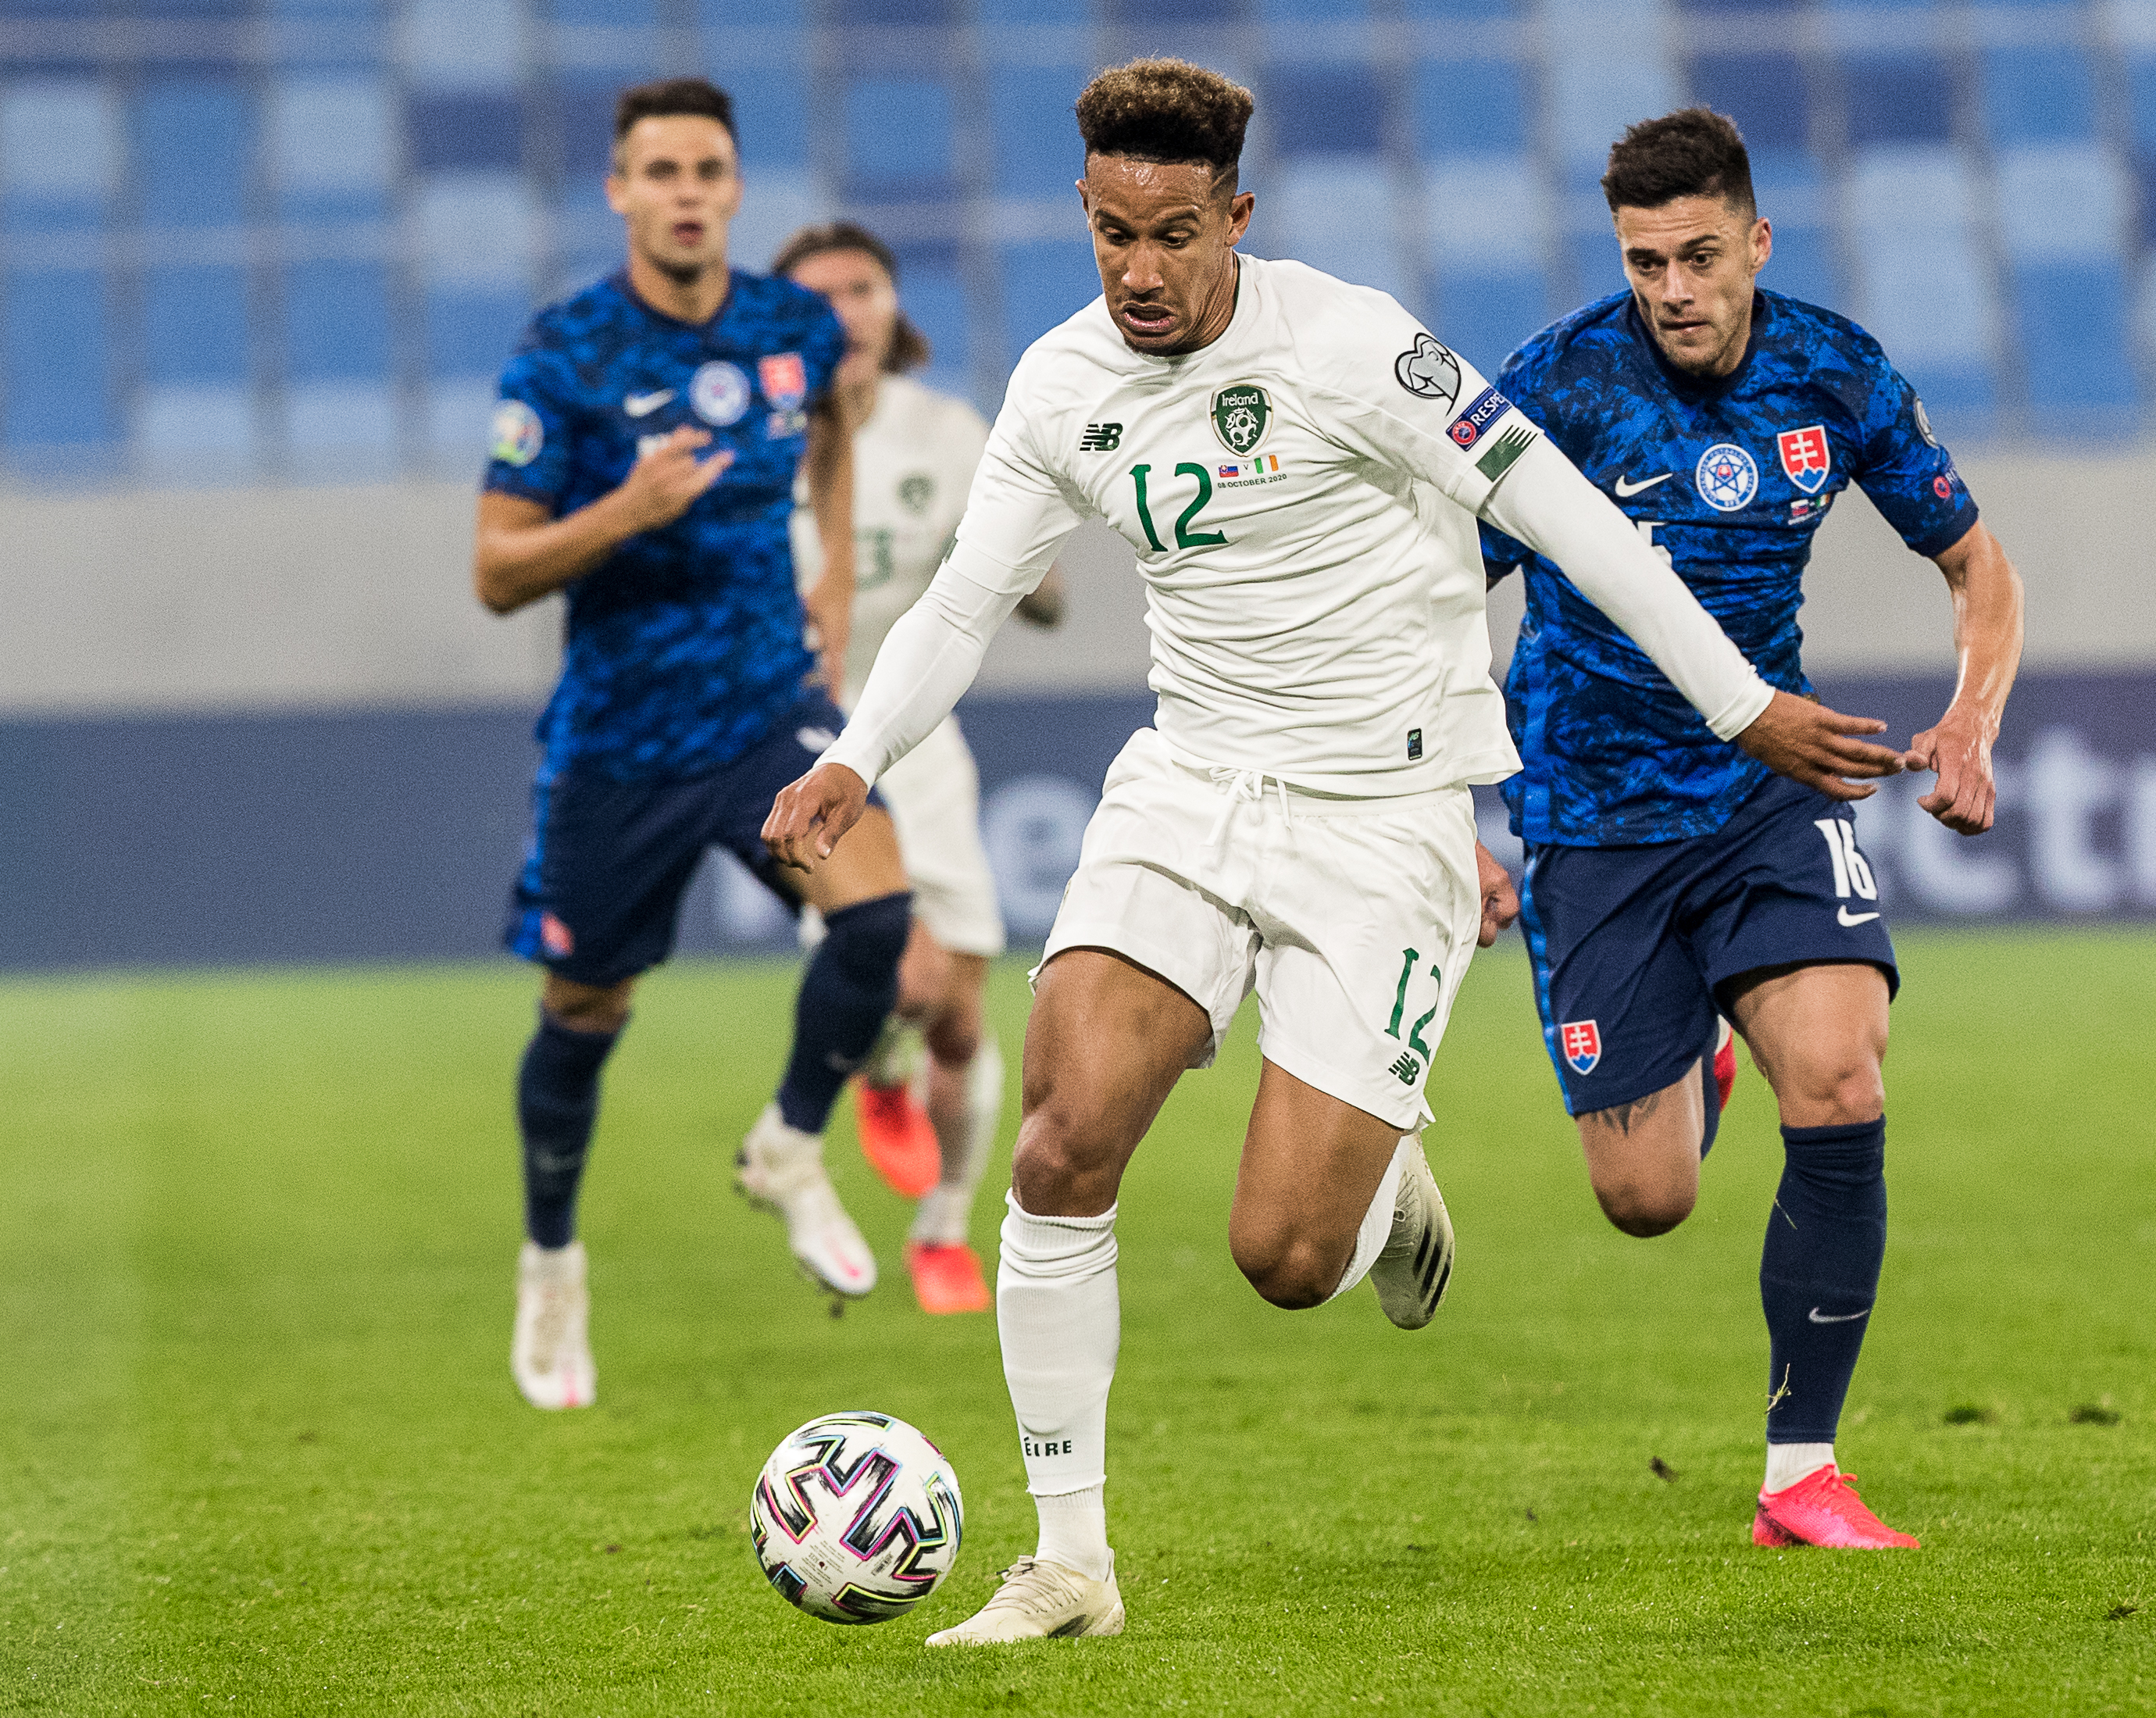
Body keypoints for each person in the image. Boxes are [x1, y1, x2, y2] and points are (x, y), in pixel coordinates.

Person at [766, 61, 1909, 1642]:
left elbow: (1576, 516)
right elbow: (965, 595)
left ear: (1234, 214)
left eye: (1172, 233)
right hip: (1187, 785)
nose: (1140, 271)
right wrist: (851, 754)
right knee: (1057, 1139)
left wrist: (1740, 703)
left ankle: (1380, 1184)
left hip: (1381, 821)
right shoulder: (1056, 384)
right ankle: (1069, 1561)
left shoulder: (1360, 349)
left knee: (1285, 1258)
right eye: (1109, 234)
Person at [1482, 107, 2026, 1549]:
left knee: (1842, 1079)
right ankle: (1698, 1047)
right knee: (1645, 1198)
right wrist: (1436, 804)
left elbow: (1976, 567)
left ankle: (1801, 1473)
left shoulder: (1831, 370)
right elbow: (1428, 590)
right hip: (1592, 823)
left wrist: (1970, 719)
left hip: (1768, 792)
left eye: (1699, 256)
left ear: (1755, 242)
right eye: (1644, 260)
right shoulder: (1557, 384)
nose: (1671, 290)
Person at [474, 78, 916, 1412]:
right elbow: (496, 572)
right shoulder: (564, 355)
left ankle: (787, 1144)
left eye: (706, 171)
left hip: (762, 713)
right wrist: (622, 508)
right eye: (657, 170)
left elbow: (833, 439)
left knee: (880, 920)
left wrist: (831, 589)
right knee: (584, 1012)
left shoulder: (794, 326)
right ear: (619, 191)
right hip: (616, 741)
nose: (683, 193)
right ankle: (551, 1264)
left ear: (733, 190)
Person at [775, 220, 1069, 1316]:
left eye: (863, 287)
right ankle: (881, 1064)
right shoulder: (749, 443)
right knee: (895, 972)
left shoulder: (948, 432)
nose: (843, 309)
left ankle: (944, 1226)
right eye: (817, 293)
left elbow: (1033, 584)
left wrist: (1026, 577)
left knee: (957, 1009)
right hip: (804, 742)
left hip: (918, 730)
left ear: (893, 309)